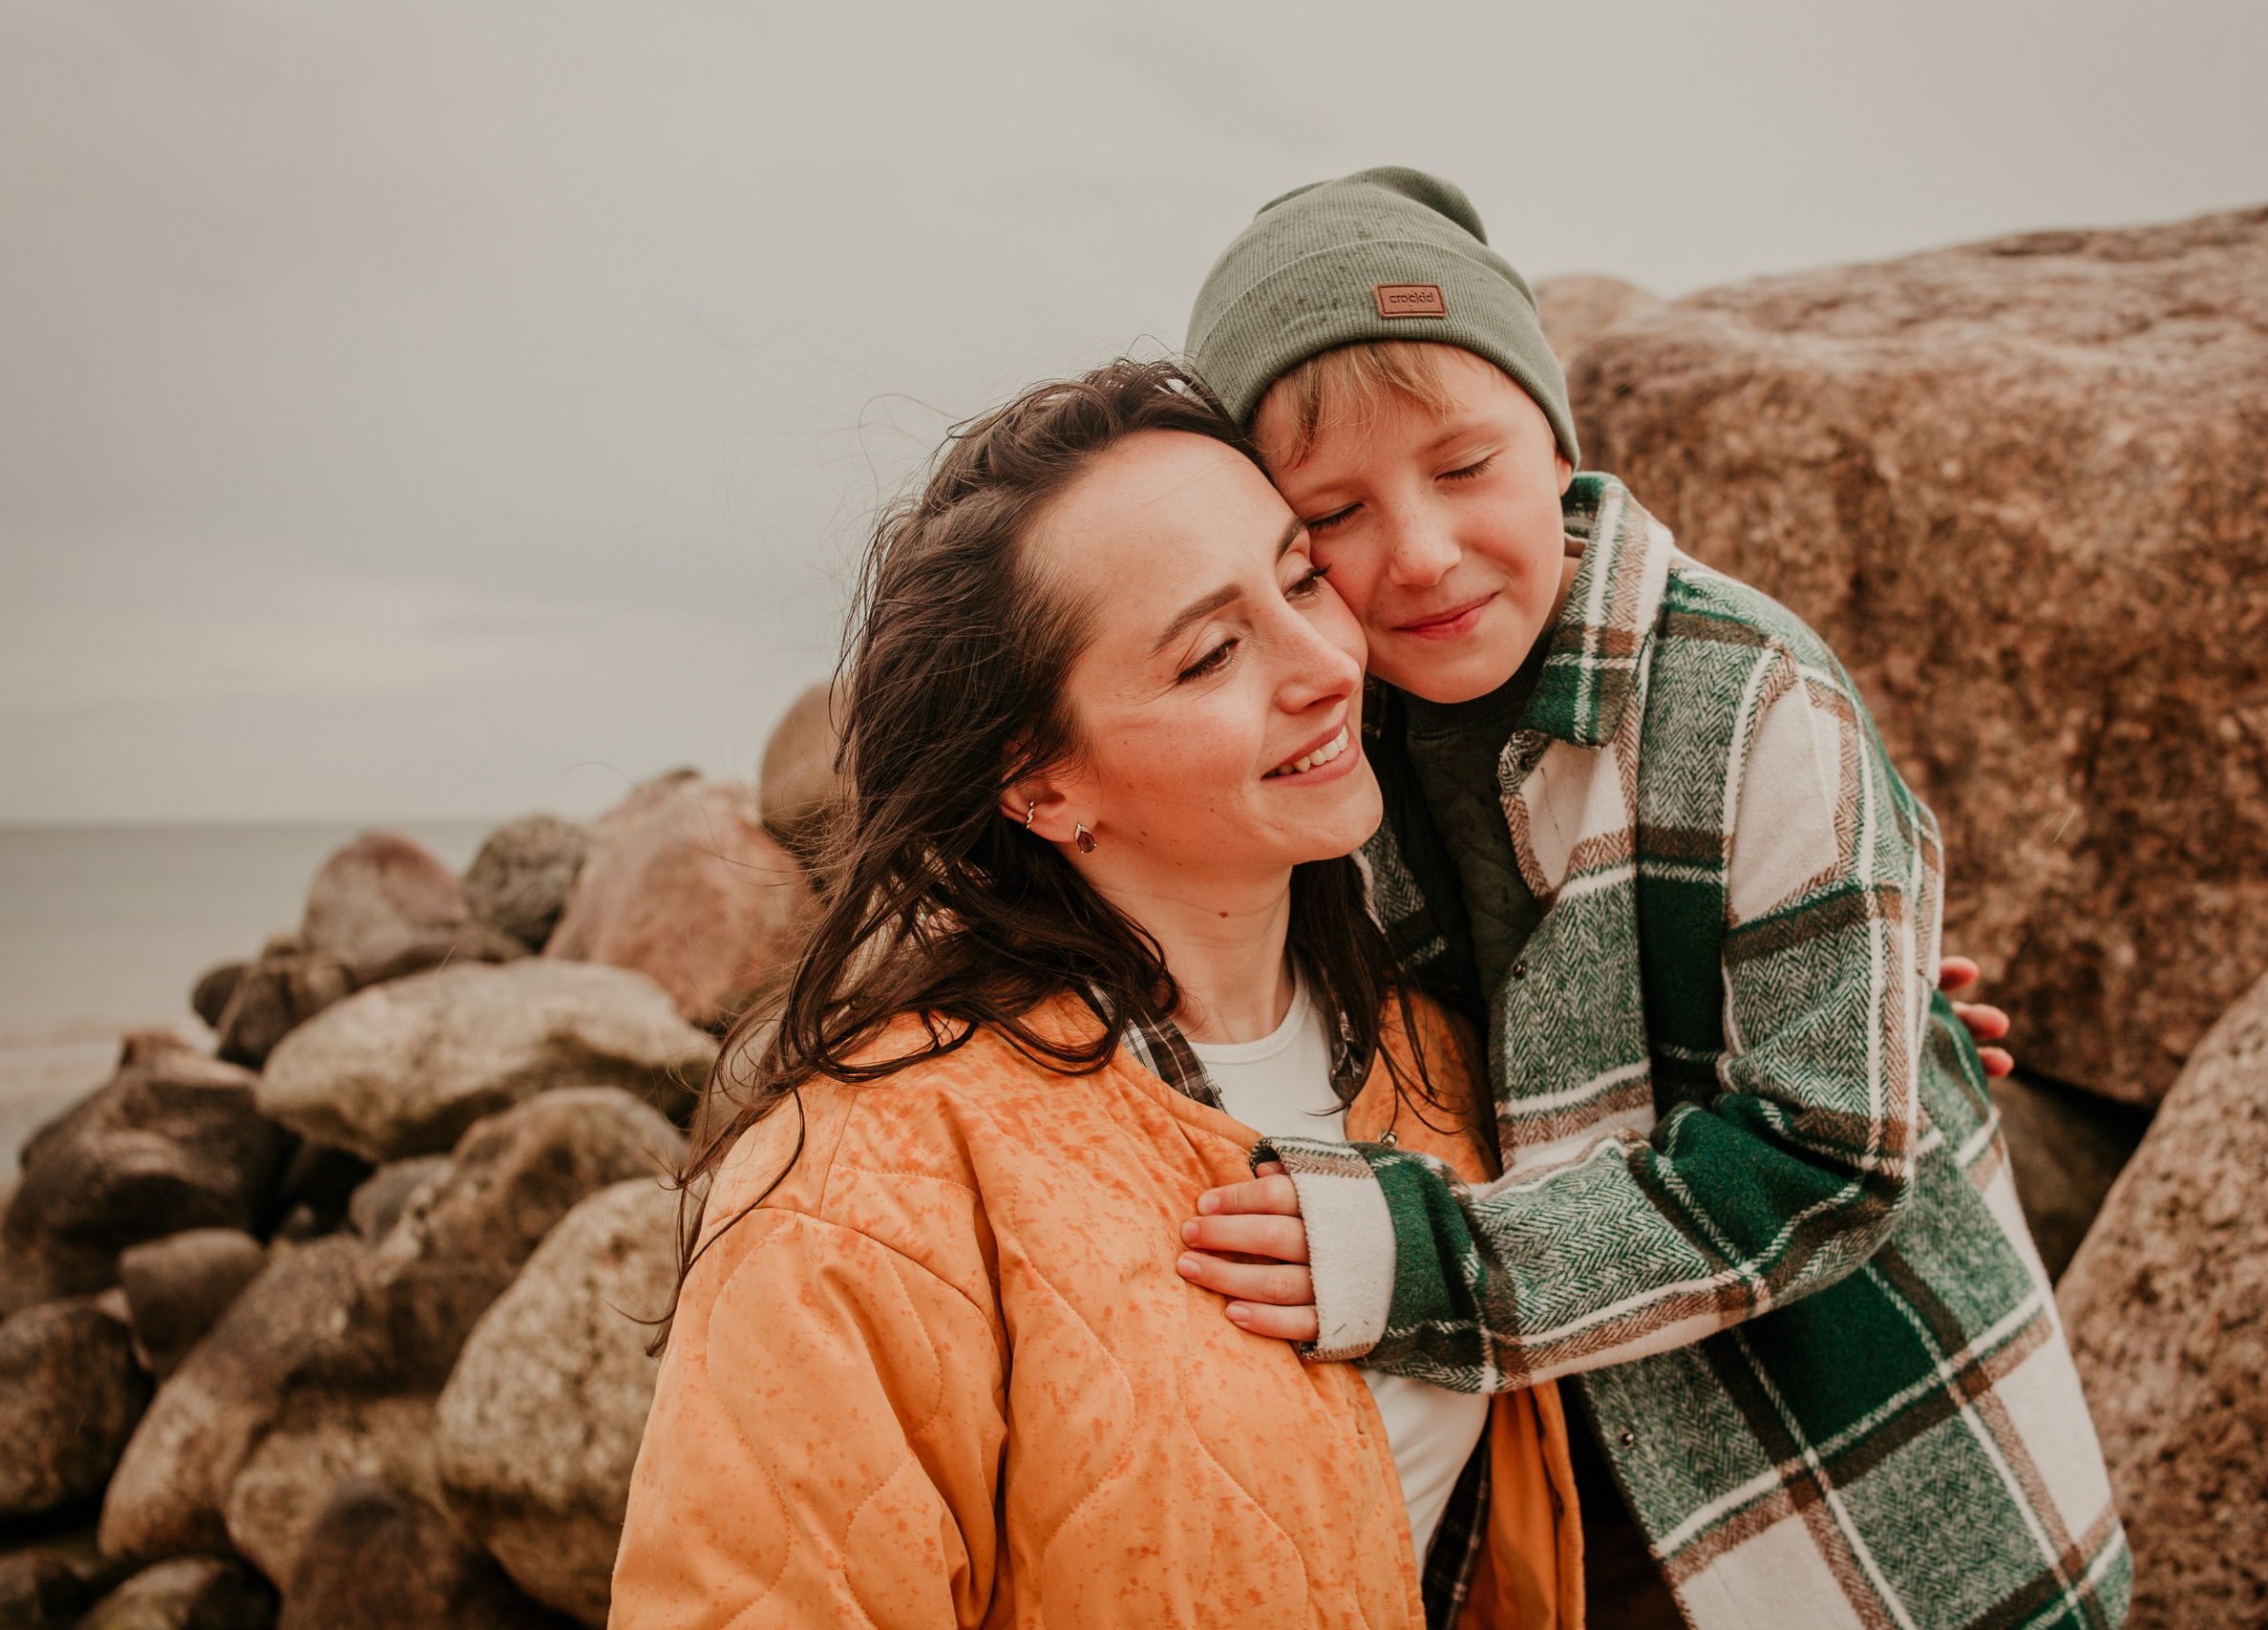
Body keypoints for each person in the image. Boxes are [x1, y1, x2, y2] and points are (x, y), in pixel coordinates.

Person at [1169, 169, 2130, 1630]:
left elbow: (1832, 1159)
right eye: (1336, 513)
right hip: (1573, 1482)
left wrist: (1432, 1265)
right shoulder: (1327, 738)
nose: (1420, 552)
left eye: (1465, 466)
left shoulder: (1752, 701)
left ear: (1557, 441)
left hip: (1868, 1491)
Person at [609, 360, 1585, 1629]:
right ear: (1043, 783)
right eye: (1211, 655)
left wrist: (1898, 1053)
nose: (1326, 665)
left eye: (1301, 579)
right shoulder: (863, 1194)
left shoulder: (1439, 1057)